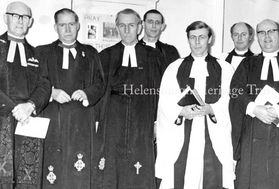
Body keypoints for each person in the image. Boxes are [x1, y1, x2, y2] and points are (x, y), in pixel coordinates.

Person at [155, 21, 235, 189]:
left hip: (212, 131)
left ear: (210, 39)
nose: (197, 42)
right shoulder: (174, 68)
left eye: (202, 37)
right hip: (182, 132)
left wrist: (212, 108)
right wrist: (181, 111)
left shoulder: (225, 68)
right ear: (188, 40)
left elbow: (231, 99)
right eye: (193, 37)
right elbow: (165, 102)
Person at [229, 19, 279, 189]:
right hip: (253, 134)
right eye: (261, 32)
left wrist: (277, 109)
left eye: (271, 31)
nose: (267, 36)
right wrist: (254, 108)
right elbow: (236, 91)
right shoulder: (248, 64)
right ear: (256, 37)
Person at [36, 8, 105, 189]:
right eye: (62, 25)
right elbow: (34, 83)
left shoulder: (90, 53)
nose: (67, 29)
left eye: (71, 24)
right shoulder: (42, 52)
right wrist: (51, 92)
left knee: (79, 172)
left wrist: (87, 93)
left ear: (78, 26)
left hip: (81, 121)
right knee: (52, 170)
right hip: (52, 120)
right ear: (55, 27)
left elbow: (100, 83)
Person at [95, 9, 163, 189]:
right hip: (113, 117)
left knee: (140, 165)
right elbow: (100, 91)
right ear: (117, 27)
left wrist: (157, 121)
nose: (127, 30)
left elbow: (159, 90)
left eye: (131, 25)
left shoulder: (153, 55)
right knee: (113, 166)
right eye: (122, 26)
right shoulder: (106, 55)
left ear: (139, 27)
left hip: (143, 116)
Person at [0, 1, 50, 188]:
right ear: (6, 18)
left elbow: (44, 85)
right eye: (16, 16)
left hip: (28, 118)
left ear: (30, 22)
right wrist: (14, 108)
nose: (21, 21)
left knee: (28, 177)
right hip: (2, 115)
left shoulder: (36, 53)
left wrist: (30, 106)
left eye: (25, 17)